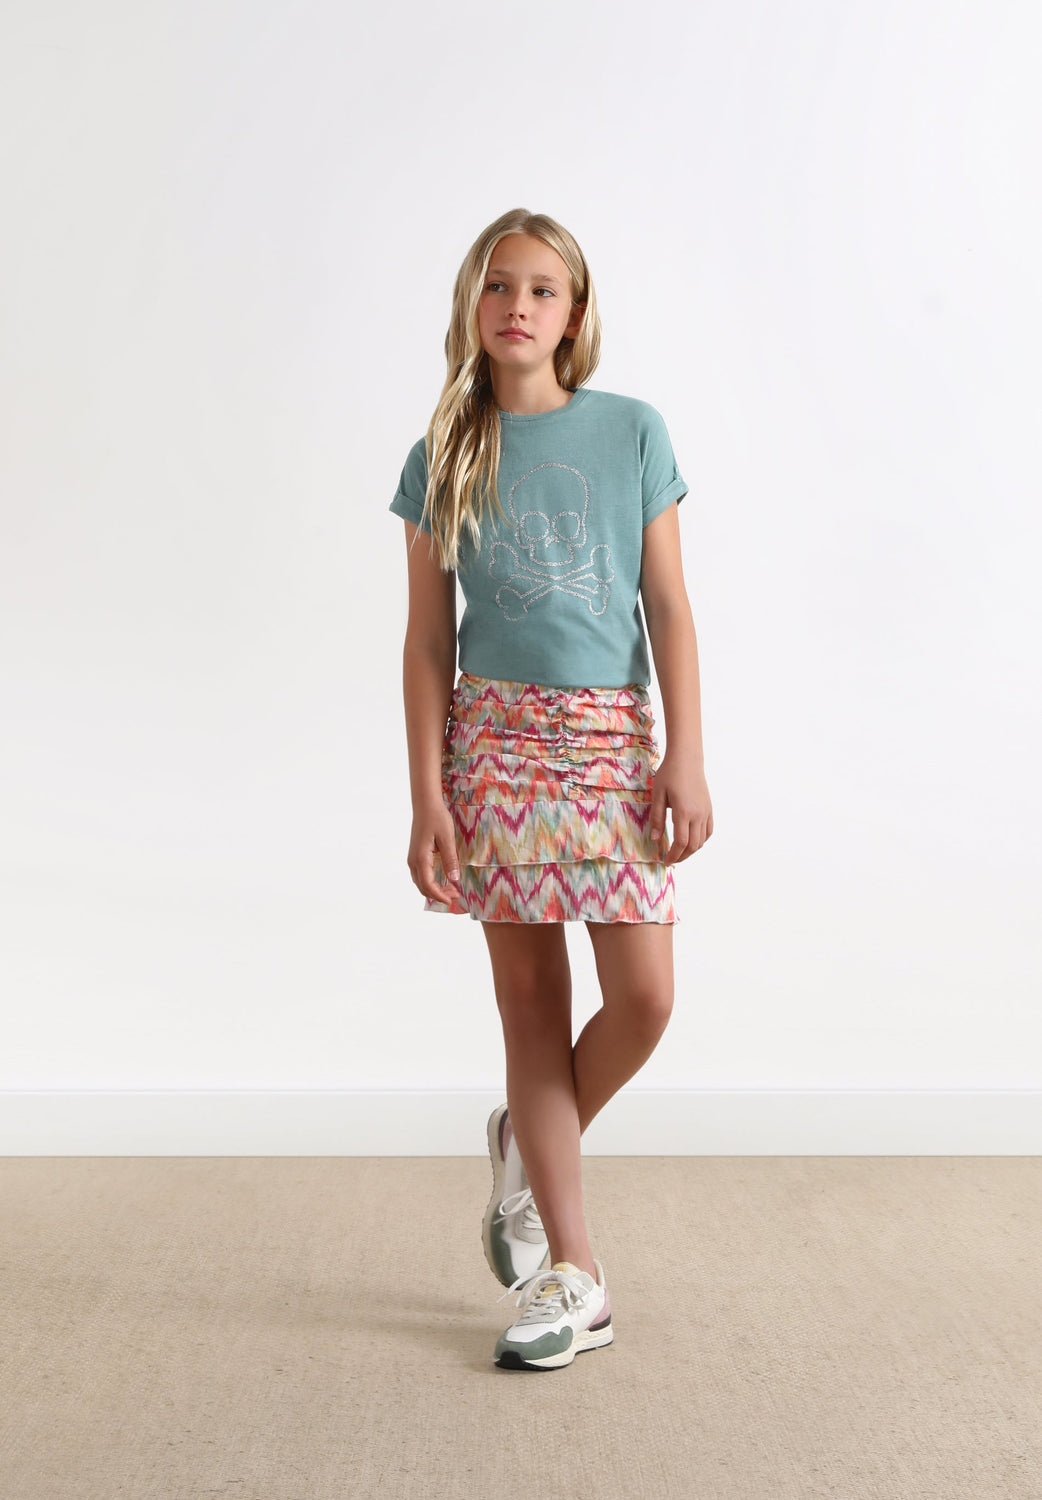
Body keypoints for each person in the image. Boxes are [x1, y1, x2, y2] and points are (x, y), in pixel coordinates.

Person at [388, 207, 713, 1371]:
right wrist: (428, 795)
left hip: (611, 741)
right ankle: (576, 1275)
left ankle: (527, 1141)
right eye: (497, 286)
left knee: (645, 999)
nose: (516, 306)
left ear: (573, 316)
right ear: (471, 306)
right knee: (530, 1006)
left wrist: (684, 753)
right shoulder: (445, 452)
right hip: (496, 744)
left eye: (540, 289)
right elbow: (427, 642)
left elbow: (666, 605)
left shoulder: (631, 431)